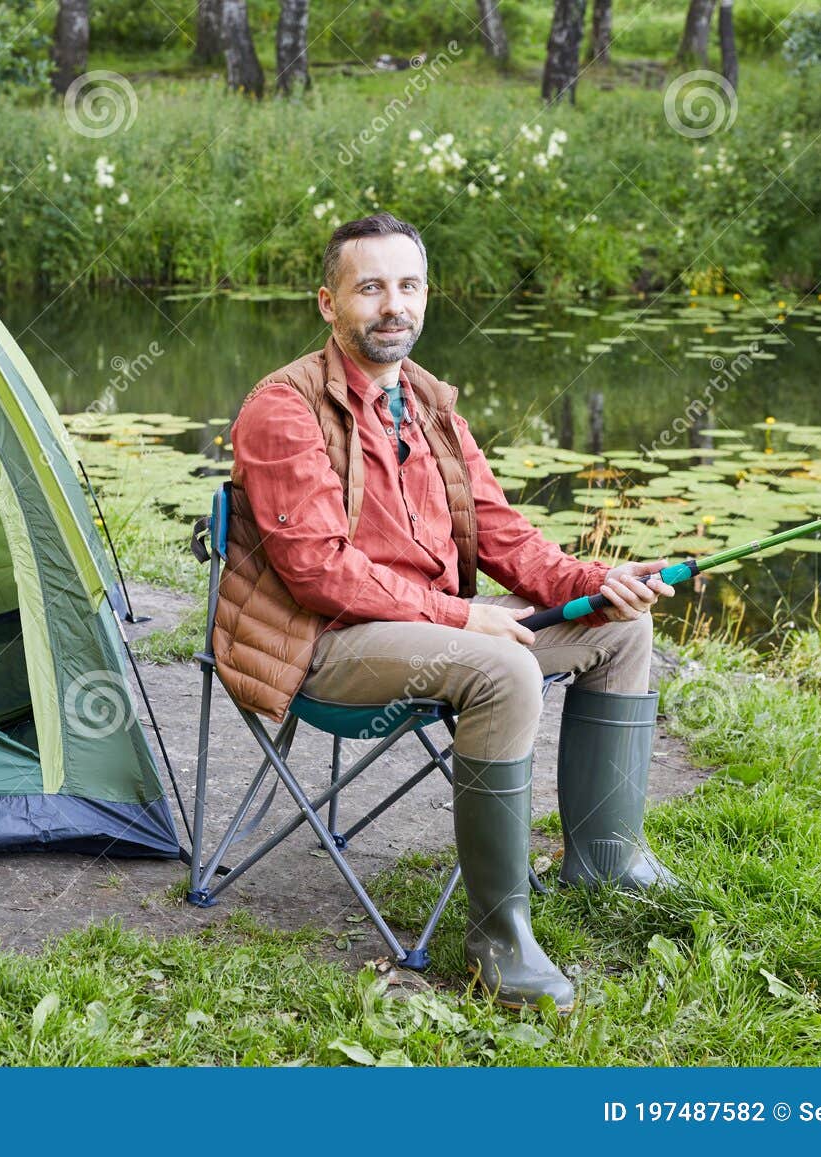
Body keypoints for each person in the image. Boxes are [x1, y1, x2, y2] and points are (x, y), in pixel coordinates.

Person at [216, 213, 679, 1011]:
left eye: (408, 286)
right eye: (371, 288)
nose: (392, 306)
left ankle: (606, 854)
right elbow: (320, 573)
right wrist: (464, 620)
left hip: (424, 628)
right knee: (500, 663)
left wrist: (600, 577)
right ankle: (500, 938)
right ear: (329, 303)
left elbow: (504, 536)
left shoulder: (430, 406)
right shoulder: (283, 409)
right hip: (323, 644)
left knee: (622, 626)